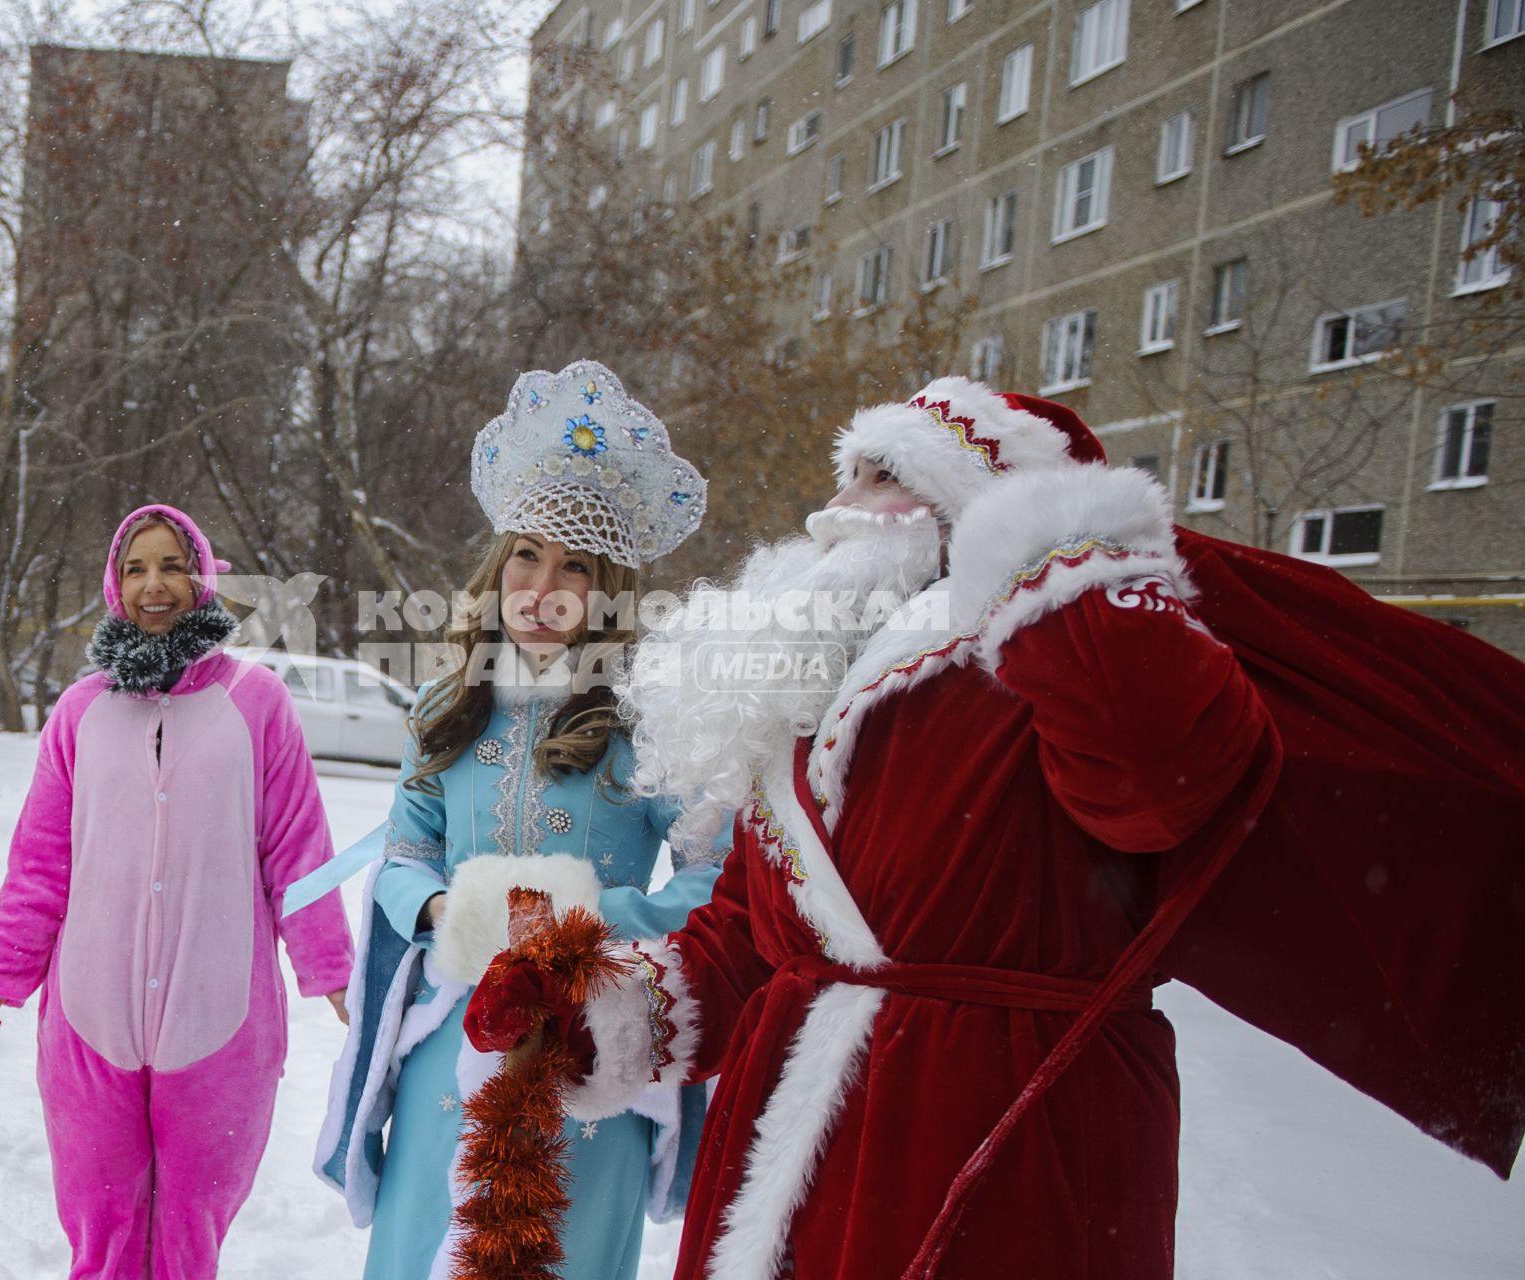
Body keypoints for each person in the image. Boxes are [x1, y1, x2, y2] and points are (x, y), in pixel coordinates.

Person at [469, 377, 1525, 1280]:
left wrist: (1064, 574)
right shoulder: (802, 692)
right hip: (787, 1148)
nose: (837, 509)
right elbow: (747, 931)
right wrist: (600, 1006)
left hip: (1005, 1129)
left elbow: (1163, 786)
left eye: (882, 479)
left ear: (974, 511)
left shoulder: (1065, 659)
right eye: (848, 474)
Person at [314, 361, 727, 1280]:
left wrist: (587, 926)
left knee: (569, 1255)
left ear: (606, 590)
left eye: (573, 566)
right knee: (430, 1244)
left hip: (594, 1052)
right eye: (526, 559)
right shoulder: (445, 705)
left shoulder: (655, 722)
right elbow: (404, 853)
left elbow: (712, 882)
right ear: (497, 572)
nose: (544, 588)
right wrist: (443, 916)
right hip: (450, 1037)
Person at [0, 503, 354, 1280]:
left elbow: (298, 852)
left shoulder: (257, 703)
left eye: (172, 564)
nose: (154, 584)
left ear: (203, 579)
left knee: (189, 1229)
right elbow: (40, 863)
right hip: (88, 1014)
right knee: (100, 1226)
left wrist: (335, 974)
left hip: (222, 1019)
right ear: (113, 584)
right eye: (136, 568)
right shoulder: (78, 714)